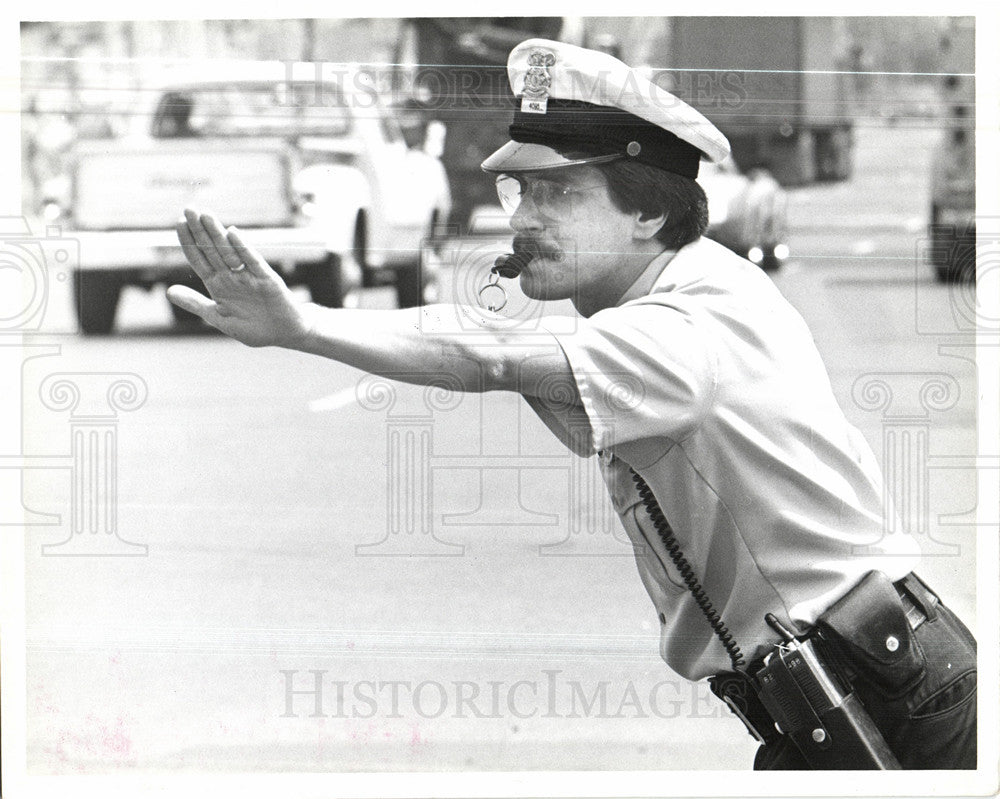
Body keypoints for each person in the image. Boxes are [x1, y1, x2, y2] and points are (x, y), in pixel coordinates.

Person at [168, 39, 977, 770]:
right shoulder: (673, 295)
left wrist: (305, 325)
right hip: (845, 688)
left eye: (555, 195)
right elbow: (503, 353)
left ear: (648, 210)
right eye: (520, 192)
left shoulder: (686, 328)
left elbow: (482, 352)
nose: (521, 219)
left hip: (889, 695)